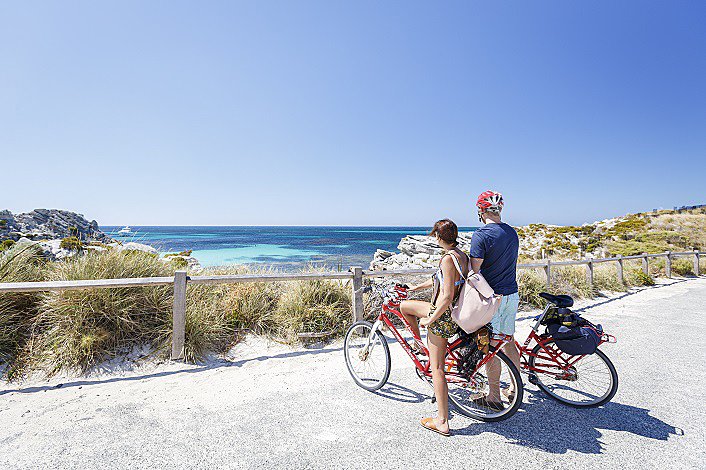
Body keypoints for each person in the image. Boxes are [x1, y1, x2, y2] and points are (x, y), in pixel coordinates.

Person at [400, 219, 468, 436]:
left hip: (442, 315)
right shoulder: (461, 255)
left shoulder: (448, 259)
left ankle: (442, 421)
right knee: (405, 306)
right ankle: (419, 344)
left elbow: (447, 295)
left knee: (437, 369)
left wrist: (430, 319)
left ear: (438, 237)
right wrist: (416, 287)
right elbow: (441, 281)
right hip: (450, 311)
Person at [469, 190, 521, 409]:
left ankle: (493, 397)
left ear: (481, 211)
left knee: (490, 346)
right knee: (508, 341)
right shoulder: (512, 233)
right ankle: (514, 388)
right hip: (512, 294)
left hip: (493, 298)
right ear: (499, 210)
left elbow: (474, 270)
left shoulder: (481, 235)